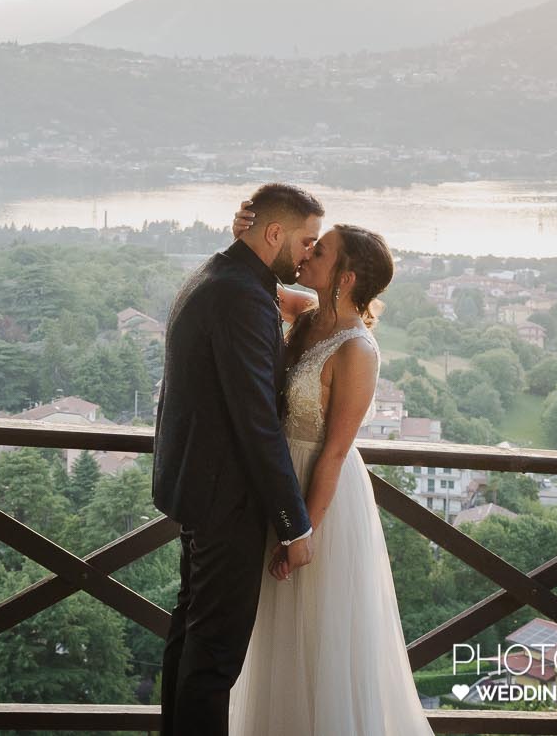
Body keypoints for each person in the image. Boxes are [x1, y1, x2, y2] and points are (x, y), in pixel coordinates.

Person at [225, 210, 433, 736]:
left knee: (318, 632)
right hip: (279, 483)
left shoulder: (357, 350)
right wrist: (245, 236)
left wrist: (303, 530)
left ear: (346, 277)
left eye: (319, 250)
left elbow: (336, 453)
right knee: (277, 633)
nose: (307, 253)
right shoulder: (307, 314)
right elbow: (253, 286)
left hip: (320, 496)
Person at [153, 182, 322, 736]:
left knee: (192, 636)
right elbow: (256, 422)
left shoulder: (224, 275)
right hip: (225, 498)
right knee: (215, 658)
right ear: (274, 233)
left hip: (199, 488)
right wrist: (295, 524)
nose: (308, 254)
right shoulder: (241, 297)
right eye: (306, 241)